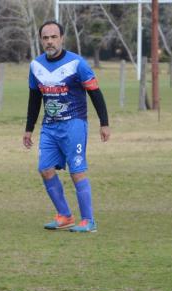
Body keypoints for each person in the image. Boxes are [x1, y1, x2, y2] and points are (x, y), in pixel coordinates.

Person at [23, 20, 110, 233]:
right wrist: (28, 128)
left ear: (62, 38)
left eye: (54, 37)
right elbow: (34, 99)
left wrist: (104, 123)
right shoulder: (36, 66)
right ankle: (65, 216)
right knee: (44, 169)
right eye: (45, 38)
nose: (50, 41)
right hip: (50, 127)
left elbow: (95, 93)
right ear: (41, 40)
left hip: (74, 124)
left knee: (77, 171)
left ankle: (88, 221)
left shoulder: (77, 64)